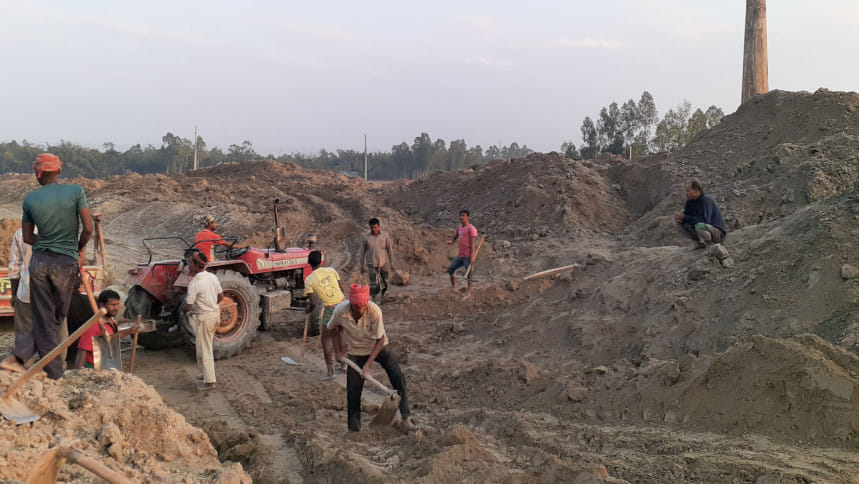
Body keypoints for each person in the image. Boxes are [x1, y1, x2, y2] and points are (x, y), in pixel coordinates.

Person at [1, 153, 93, 380]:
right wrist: (74, 248)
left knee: (46, 320)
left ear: (38, 174)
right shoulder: (76, 192)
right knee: (55, 319)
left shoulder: (30, 199)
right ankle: (40, 368)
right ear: (58, 171)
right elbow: (88, 229)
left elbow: (27, 237)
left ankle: (33, 366)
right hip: (63, 264)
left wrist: (46, 244)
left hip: (38, 264)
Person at [328, 284, 412, 432]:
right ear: (350, 303)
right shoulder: (340, 311)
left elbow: (380, 339)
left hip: (378, 347)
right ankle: (354, 428)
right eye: (356, 306)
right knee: (353, 391)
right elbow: (332, 328)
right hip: (356, 351)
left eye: (363, 306)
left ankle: (406, 418)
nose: (360, 310)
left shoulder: (374, 311)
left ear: (367, 302)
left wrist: (368, 365)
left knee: (397, 376)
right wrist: (338, 352)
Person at [185, 249, 223, 391]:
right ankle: (205, 374)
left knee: (205, 349)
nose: (188, 265)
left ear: (197, 265)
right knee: (202, 347)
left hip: (204, 318)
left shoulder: (195, 282)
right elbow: (221, 296)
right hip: (214, 315)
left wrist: (192, 311)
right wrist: (211, 305)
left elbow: (189, 305)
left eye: (190, 263)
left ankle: (210, 382)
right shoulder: (212, 277)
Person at [303, 250, 345, 378]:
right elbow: (342, 289)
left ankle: (330, 371)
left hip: (330, 309)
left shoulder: (309, 280)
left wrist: (308, 310)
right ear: (321, 261)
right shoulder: (331, 270)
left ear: (309, 263)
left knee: (326, 339)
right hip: (343, 305)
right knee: (340, 334)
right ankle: (344, 364)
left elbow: (314, 303)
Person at [74, 289, 138, 369]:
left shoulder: (110, 321)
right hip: (94, 368)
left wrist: (129, 331)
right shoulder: (94, 325)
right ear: (102, 305)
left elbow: (110, 337)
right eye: (112, 305)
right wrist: (78, 373)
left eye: (117, 304)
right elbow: (82, 352)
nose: (116, 308)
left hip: (107, 366)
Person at [674, 180, 727, 249]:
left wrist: (685, 217)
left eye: (688, 191)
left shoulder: (705, 200)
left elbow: (705, 220)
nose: (686, 193)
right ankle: (698, 242)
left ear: (696, 191)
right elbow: (688, 215)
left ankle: (709, 244)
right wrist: (681, 218)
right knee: (679, 223)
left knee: (700, 226)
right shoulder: (690, 202)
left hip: (716, 232)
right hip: (701, 229)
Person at [359, 217, 395, 303]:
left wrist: (392, 263)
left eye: (375, 227)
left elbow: (389, 250)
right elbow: (362, 252)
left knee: (385, 281)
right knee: (373, 284)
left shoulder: (385, 236)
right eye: (371, 228)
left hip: (383, 263)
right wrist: (361, 265)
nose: (373, 229)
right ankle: (374, 300)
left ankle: (383, 298)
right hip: (371, 264)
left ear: (379, 227)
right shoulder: (366, 238)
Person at [446, 210, 478, 299]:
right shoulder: (459, 227)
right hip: (460, 256)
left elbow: (473, 244)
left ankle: (468, 294)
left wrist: (472, 256)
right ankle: (454, 287)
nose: (462, 217)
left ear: (468, 217)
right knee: (451, 269)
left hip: (468, 257)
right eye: (460, 216)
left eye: (463, 216)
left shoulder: (471, 228)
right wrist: (452, 241)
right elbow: (455, 236)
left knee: (469, 276)